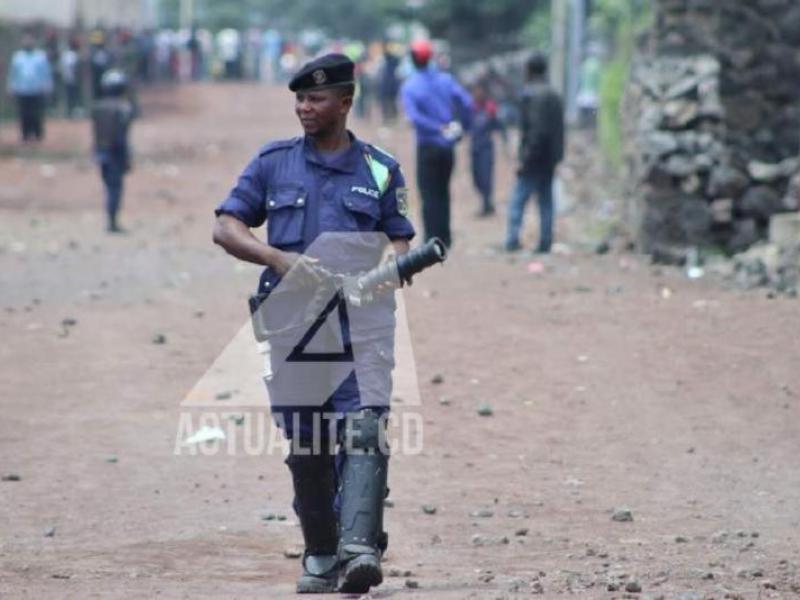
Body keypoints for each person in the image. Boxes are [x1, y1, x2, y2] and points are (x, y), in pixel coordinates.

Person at [212, 54, 415, 594]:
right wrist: (276, 258)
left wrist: (386, 269)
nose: (305, 107)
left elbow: (400, 235)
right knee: (309, 445)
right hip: (292, 325)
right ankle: (323, 553)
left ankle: (360, 549)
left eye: (316, 99)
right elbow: (227, 225)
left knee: (363, 430)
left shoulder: (379, 168)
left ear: (345, 103)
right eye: (300, 99)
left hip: (361, 324)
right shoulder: (273, 163)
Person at [400, 39, 472, 248]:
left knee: (429, 194)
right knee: (443, 191)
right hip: (447, 147)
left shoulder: (410, 86)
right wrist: (461, 127)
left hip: (427, 147)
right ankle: (446, 238)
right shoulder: (446, 80)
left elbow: (414, 118)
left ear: (412, 61)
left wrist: (435, 128)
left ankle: (432, 241)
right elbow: (466, 103)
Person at [504, 53, 565, 254]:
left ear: (529, 70)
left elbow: (536, 131)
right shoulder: (555, 95)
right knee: (546, 200)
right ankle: (545, 241)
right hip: (549, 158)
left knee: (518, 200)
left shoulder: (530, 95)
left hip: (534, 158)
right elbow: (559, 130)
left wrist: (526, 158)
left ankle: (512, 240)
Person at [91, 69, 134, 233]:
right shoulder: (123, 109)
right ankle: (112, 221)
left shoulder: (97, 108)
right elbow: (122, 135)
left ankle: (111, 219)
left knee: (109, 186)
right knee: (115, 188)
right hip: (116, 153)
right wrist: (126, 157)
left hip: (101, 152)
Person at [6, 33, 53, 143]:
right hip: (22, 90)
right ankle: (25, 135)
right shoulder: (17, 57)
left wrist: (48, 85)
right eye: (26, 40)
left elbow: (46, 73)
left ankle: (38, 135)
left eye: (30, 40)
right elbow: (13, 74)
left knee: (36, 114)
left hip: (37, 90)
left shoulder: (40, 56)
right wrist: (11, 87)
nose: (28, 43)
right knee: (24, 114)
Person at [469, 81, 506, 217]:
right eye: (475, 91)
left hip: (486, 147)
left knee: (486, 177)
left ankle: (487, 204)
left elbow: (500, 126)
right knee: (476, 177)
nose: (477, 94)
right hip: (474, 147)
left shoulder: (490, 108)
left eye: (479, 90)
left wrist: (505, 143)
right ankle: (486, 202)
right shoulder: (471, 107)